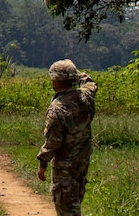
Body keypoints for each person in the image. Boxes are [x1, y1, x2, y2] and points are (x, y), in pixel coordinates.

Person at [37, 59, 96, 216]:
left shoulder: (57, 109)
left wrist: (43, 163)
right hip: (82, 161)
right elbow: (90, 83)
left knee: (66, 206)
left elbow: (53, 142)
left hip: (64, 166)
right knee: (75, 199)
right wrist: (77, 74)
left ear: (56, 82)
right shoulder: (86, 97)